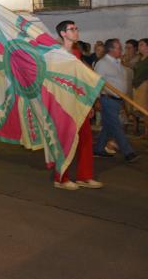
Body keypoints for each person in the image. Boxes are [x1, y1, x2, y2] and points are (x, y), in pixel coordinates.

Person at [54, 21, 103, 190]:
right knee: (64, 142)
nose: (76, 31)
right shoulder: (56, 54)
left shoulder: (76, 53)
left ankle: (85, 176)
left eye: (76, 28)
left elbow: (81, 80)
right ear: (63, 34)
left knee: (86, 139)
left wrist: (88, 104)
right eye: (72, 29)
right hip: (63, 105)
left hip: (79, 102)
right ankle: (61, 178)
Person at [93, 39, 140, 163]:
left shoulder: (118, 62)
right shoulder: (102, 64)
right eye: (119, 48)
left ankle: (98, 149)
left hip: (118, 100)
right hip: (107, 100)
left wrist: (123, 98)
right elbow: (96, 82)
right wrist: (97, 100)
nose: (121, 50)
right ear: (111, 50)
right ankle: (128, 152)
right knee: (116, 126)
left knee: (108, 126)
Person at [132, 38, 148, 138]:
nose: (139, 47)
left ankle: (147, 132)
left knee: (146, 110)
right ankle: (146, 131)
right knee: (142, 110)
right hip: (138, 86)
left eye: (141, 44)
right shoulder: (140, 58)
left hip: (145, 86)